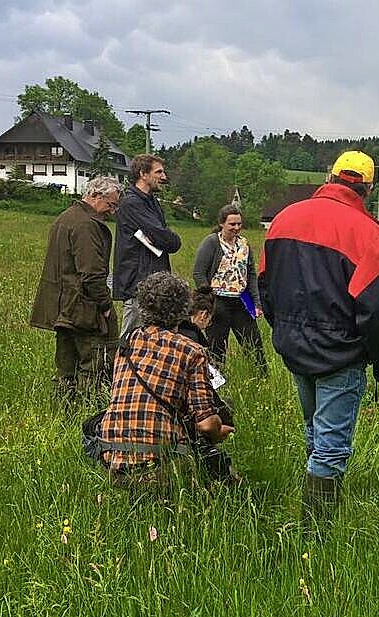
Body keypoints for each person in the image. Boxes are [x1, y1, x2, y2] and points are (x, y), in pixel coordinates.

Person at [260, 150, 379, 530]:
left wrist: (282, 330)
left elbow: (265, 287)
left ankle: (312, 518)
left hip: (293, 347)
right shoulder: (367, 231)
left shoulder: (283, 220)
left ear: (330, 175)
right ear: (368, 188)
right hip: (341, 355)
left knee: (314, 434)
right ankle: (315, 536)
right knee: (331, 447)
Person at [97, 272, 235, 486]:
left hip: (110, 461)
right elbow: (207, 424)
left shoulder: (127, 341)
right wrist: (220, 432)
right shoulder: (191, 351)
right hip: (160, 464)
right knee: (209, 433)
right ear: (183, 310)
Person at [30, 176, 122, 403]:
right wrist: (105, 305)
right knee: (94, 364)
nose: (112, 211)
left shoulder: (66, 217)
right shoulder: (86, 225)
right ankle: (87, 412)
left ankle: (63, 412)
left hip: (63, 307)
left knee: (66, 367)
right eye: (111, 205)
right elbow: (91, 273)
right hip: (84, 308)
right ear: (95, 196)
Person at [192, 204, 268, 376]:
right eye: (232, 224)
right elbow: (199, 273)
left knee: (253, 343)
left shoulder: (244, 244)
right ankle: (216, 383)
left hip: (242, 299)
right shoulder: (212, 242)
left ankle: (262, 379)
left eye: (239, 224)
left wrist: (256, 302)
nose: (236, 228)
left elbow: (251, 275)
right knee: (216, 347)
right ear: (222, 224)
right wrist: (208, 300)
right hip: (219, 300)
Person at [113, 154, 181, 336]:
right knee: (131, 339)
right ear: (143, 174)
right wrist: (167, 237)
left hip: (152, 283)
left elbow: (167, 239)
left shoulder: (151, 203)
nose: (164, 177)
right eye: (159, 172)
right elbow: (168, 240)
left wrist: (166, 237)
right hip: (138, 284)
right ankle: (117, 365)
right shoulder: (131, 203)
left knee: (153, 339)